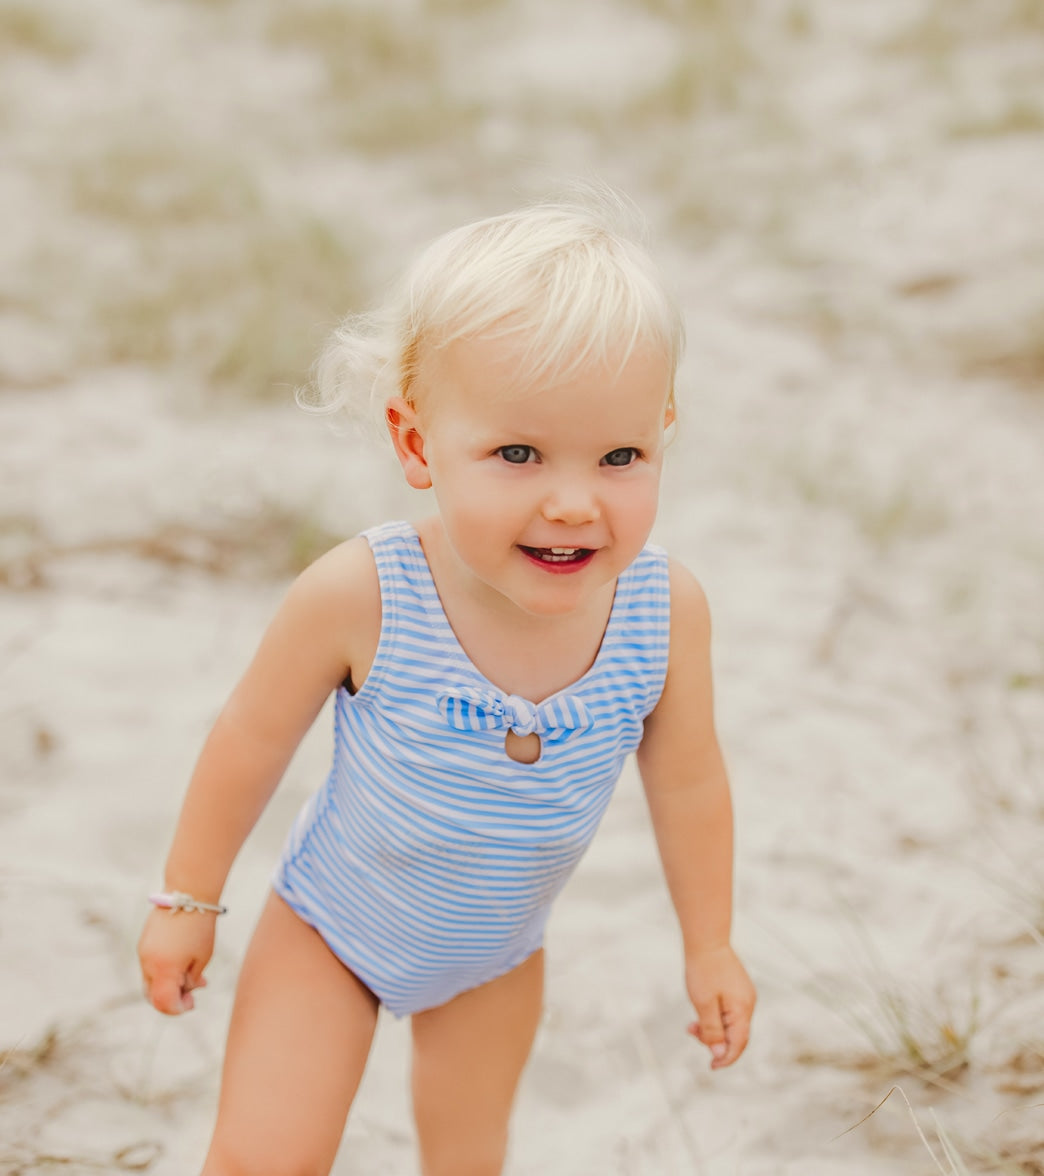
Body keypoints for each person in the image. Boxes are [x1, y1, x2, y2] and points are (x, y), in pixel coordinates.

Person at [138, 187, 756, 1176]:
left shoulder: (663, 610)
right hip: (331, 933)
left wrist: (710, 945)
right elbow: (250, 739)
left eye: (620, 455)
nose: (572, 500)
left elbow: (688, 781)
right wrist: (188, 899)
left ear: (664, 431)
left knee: (469, 1160)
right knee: (265, 1160)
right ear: (419, 444)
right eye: (516, 453)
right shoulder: (363, 593)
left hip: (497, 956)